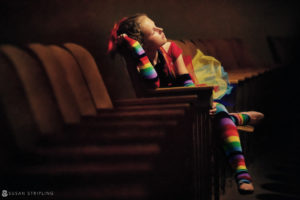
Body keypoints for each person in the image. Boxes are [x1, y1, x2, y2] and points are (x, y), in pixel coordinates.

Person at [107, 13, 264, 194]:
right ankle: (236, 119)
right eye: (154, 31)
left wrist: (202, 103)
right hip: (161, 112)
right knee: (221, 116)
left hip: (185, 102)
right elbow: (152, 84)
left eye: (157, 25)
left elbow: (186, 83)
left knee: (218, 109)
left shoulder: (171, 48)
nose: (161, 30)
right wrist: (136, 49)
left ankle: (241, 173)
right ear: (141, 43)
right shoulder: (136, 60)